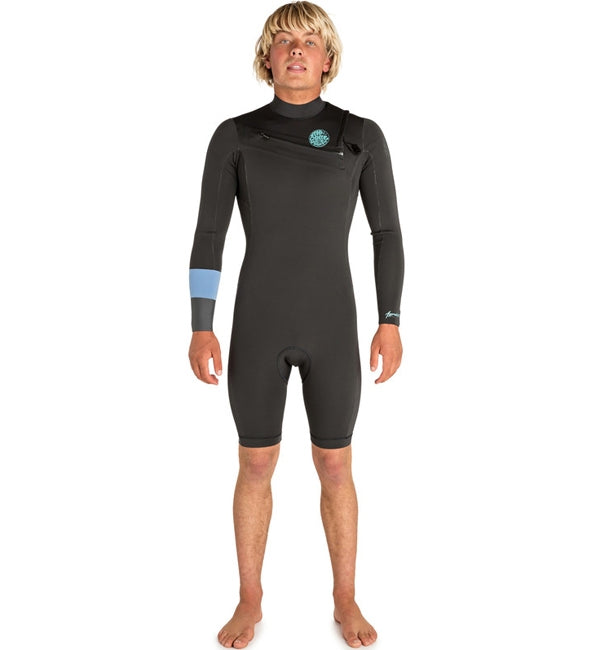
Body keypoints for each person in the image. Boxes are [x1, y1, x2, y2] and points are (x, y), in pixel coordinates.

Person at [188, 2, 404, 647]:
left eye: (310, 40)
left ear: (328, 59)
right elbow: (209, 235)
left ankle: (346, 598)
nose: (297, 50)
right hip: (258, 320)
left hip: (332, 322)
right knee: (255, 462)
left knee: (335, 464)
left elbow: (387, 234)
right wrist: (201, 324)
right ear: (268, 57)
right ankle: (249, 599)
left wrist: (390, 319)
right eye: (284, 41)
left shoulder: (361, 135)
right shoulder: (235, 136)